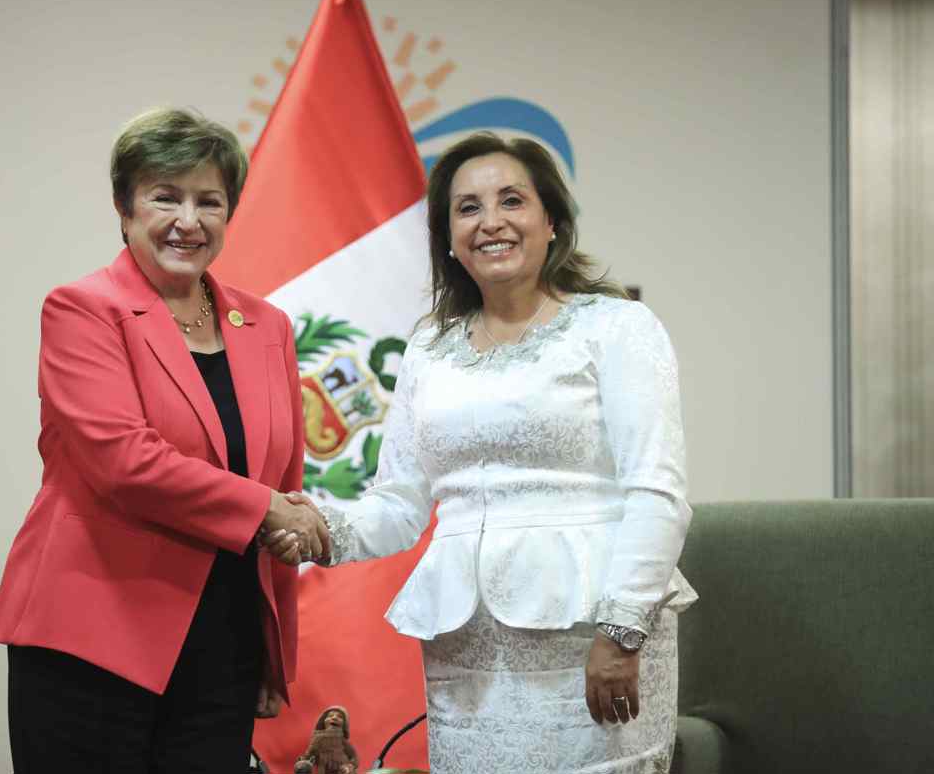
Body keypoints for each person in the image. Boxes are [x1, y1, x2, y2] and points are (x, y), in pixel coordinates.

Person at [270, 133, 697, 773]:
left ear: (551, 221)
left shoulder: (616, 327)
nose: (490, 221)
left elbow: (656, 492)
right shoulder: (428, 347)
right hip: (467, 649)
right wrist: (316, 528)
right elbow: (400, 504)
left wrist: (622, 630)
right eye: (467, 208)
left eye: (511, 201)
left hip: (595, 637)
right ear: (447, 235)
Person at [0, 107, 328, 773]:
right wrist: (268, 512)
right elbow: (127, 464)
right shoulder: (83, 308)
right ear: (125, 206)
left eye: (209, 201)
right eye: (165, 197)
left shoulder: (268, 325)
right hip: (91, 636)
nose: (188, 220)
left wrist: (268, 635)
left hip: (221, 644)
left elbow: (283, 478)